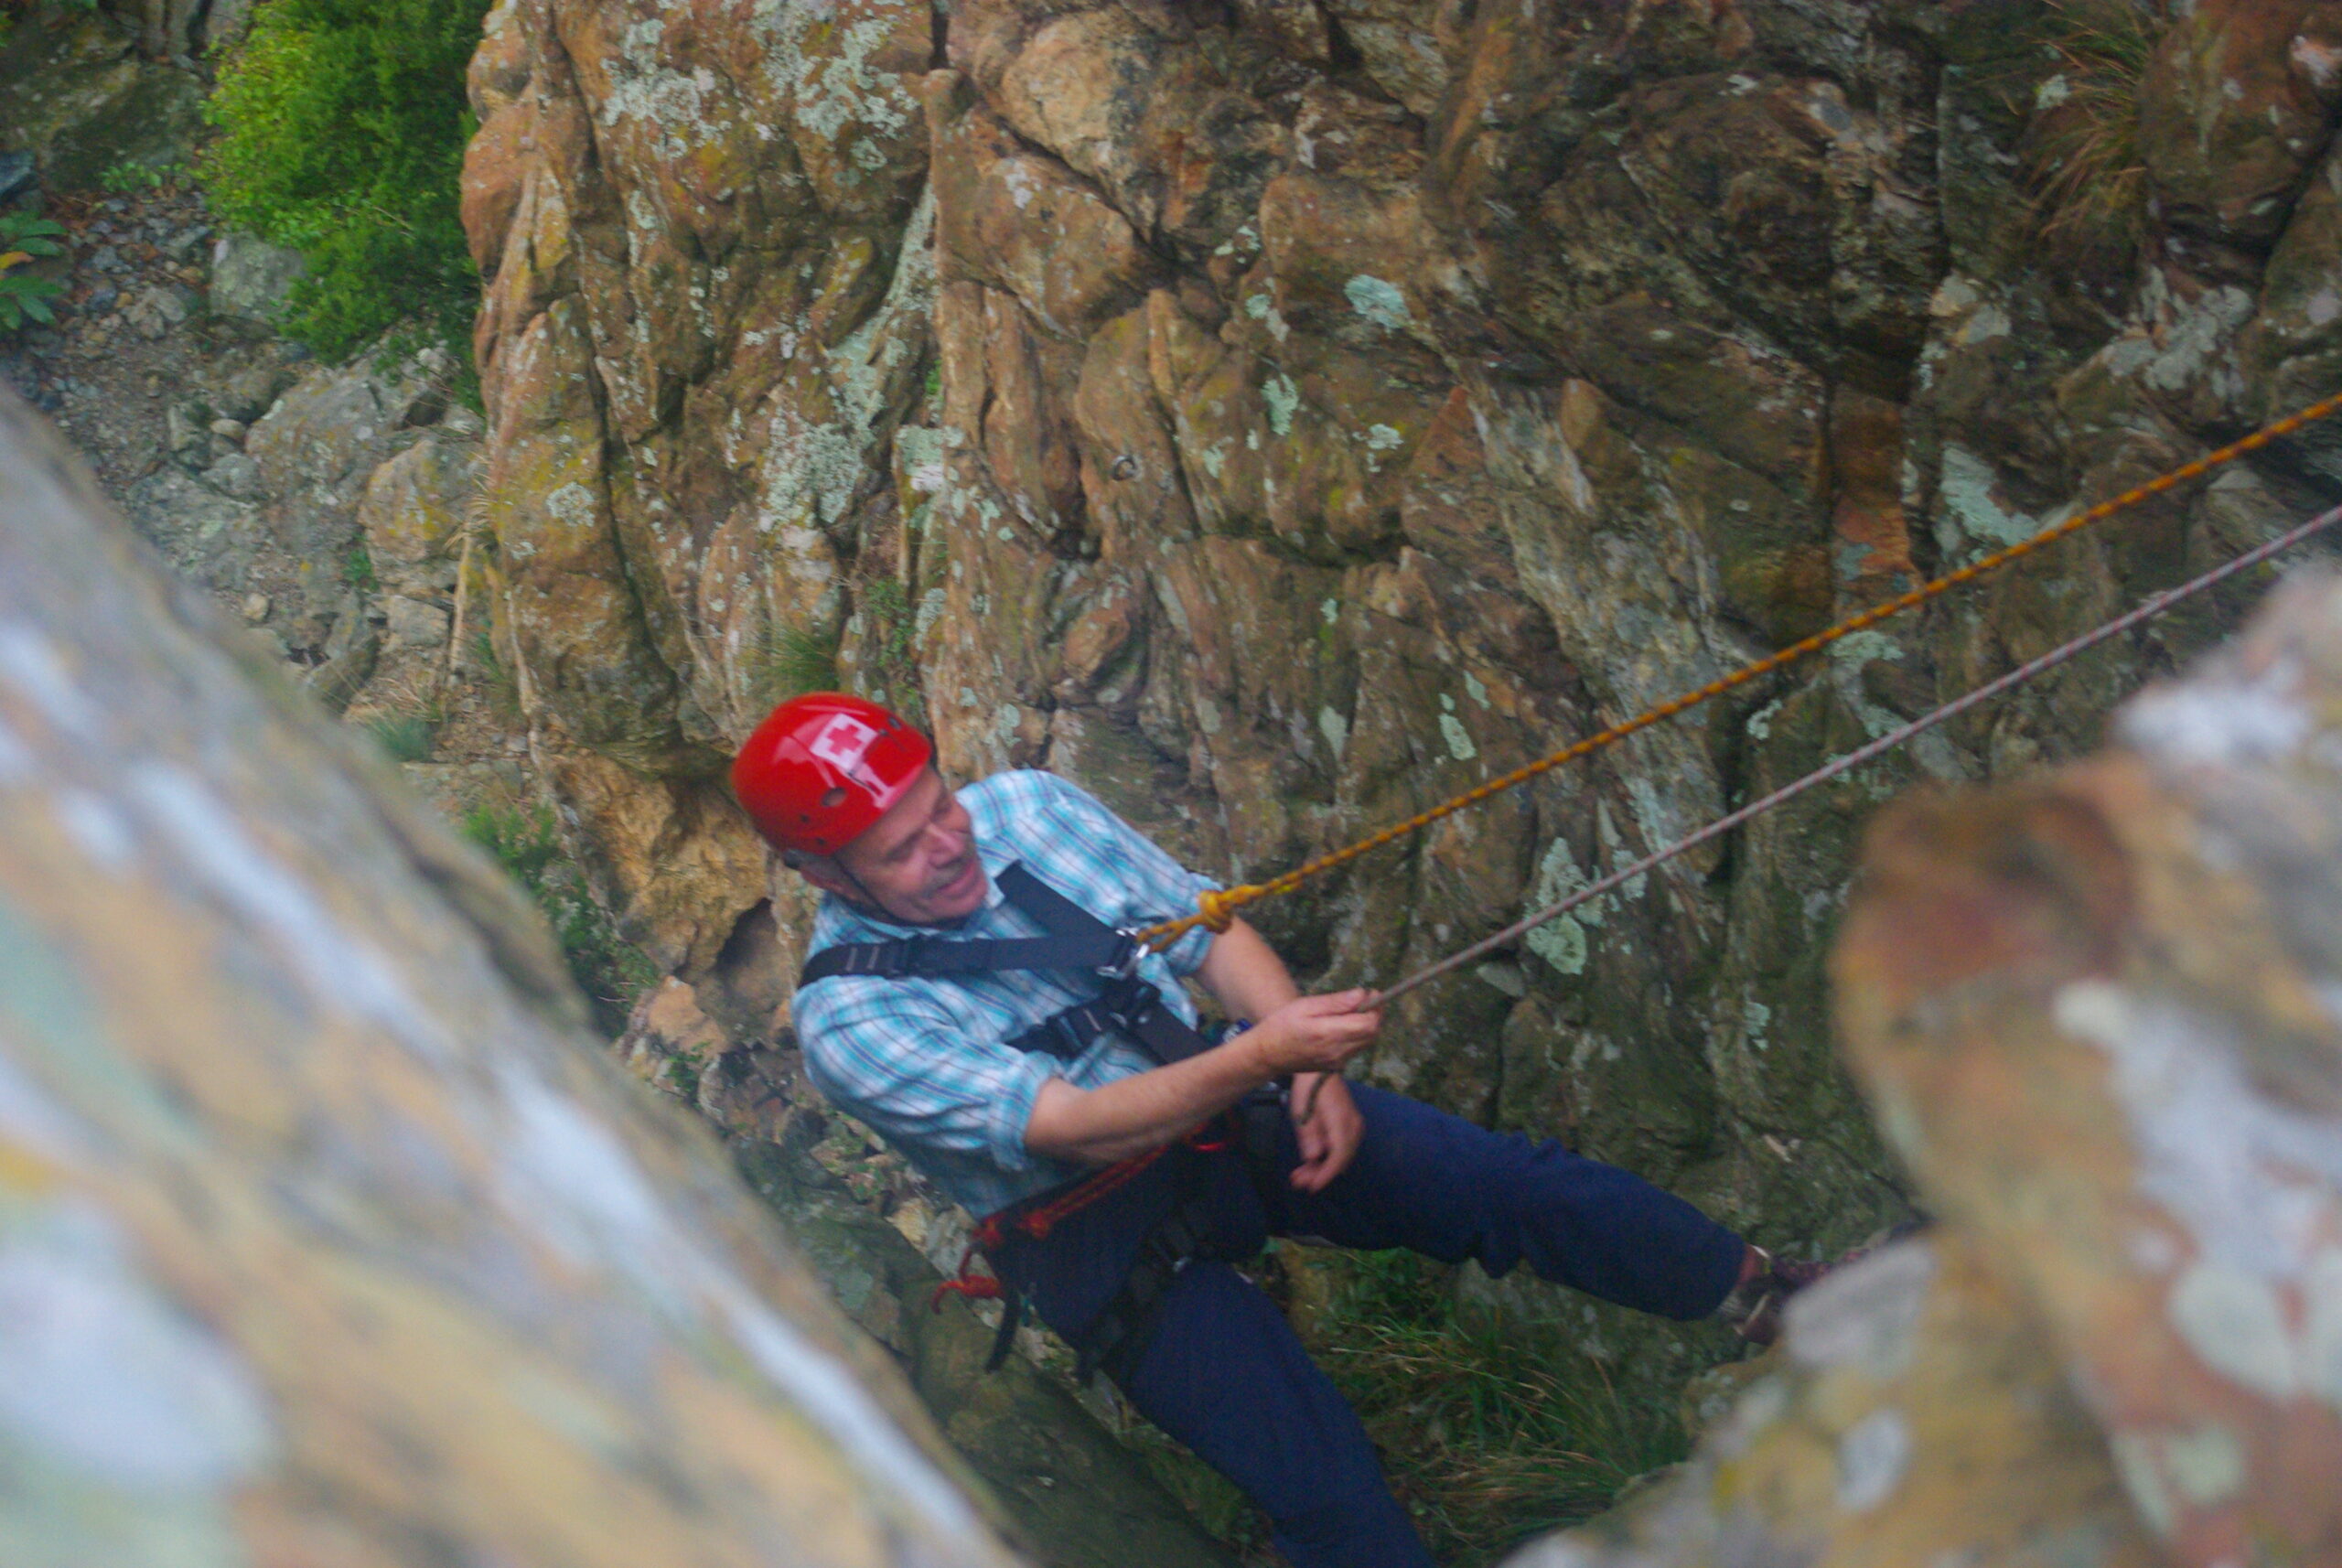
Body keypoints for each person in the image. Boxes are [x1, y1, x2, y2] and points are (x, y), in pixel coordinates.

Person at [736, 693, 1826, 1568]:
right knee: (1318, 1484)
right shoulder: (852, 1021)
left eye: (938, 805)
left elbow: (1207, 934)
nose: (945, 843)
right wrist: (1264, 1058)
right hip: (1093, 1229)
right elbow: (1073, 1127)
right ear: (823, 874)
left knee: (1505, 1184)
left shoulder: (1028, 809)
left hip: (1221, 1104)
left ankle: (1772, 1295)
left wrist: (1300, 1064)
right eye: (899, 847)